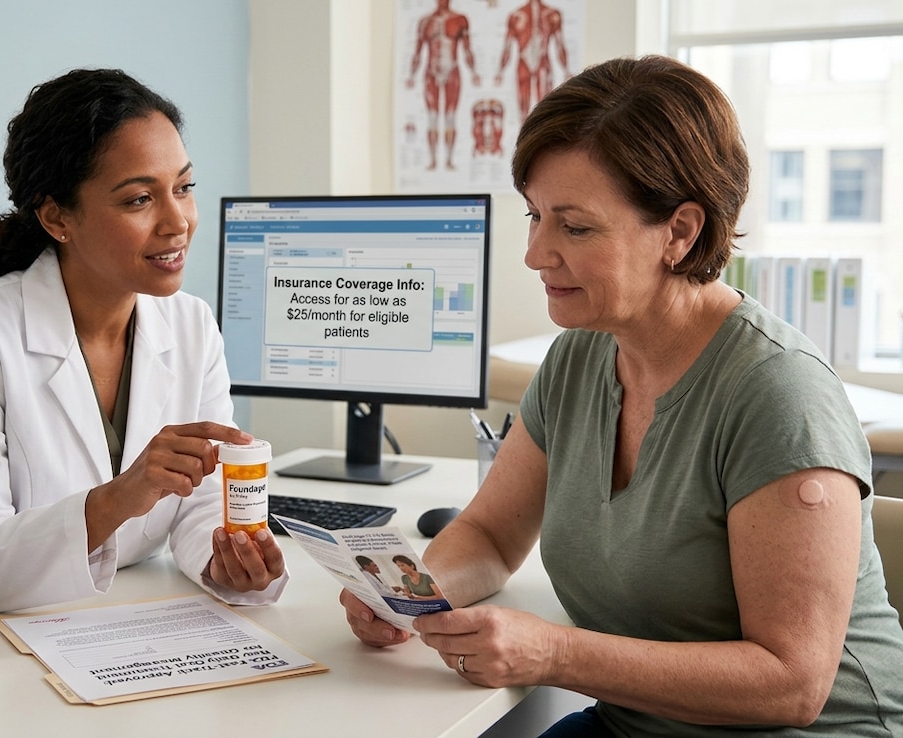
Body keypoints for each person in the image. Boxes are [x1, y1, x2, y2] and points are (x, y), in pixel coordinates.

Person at [341, 55, 903, 736]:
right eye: (535, 216)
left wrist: (554, 653)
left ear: (680, 232)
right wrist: (414, 594)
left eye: (574, 227)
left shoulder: (779, 395)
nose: (535, 253)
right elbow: (490, 534)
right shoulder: (580, 357)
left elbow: (792, 684)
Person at [0, 68, 287, 613]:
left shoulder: (191, 324)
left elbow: (200, 503)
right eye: (138, 200)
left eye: (184, 188)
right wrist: (120, 498)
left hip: (111, 618)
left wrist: (224, 559)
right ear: (57, 216)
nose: (178, 222)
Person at [405, 0, 480, 170]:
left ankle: (448, 159)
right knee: (432, 117)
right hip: (431, 72)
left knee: (450, 117)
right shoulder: (425, 21)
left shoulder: (460, 20)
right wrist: (411, 75)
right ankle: (432, 159)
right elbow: (417, 52)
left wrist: (474, 72)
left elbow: (467, 49)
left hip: (452, 70)